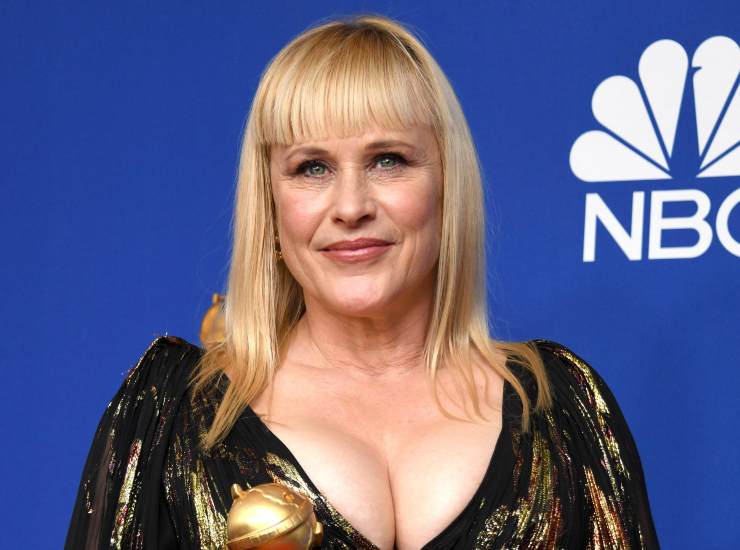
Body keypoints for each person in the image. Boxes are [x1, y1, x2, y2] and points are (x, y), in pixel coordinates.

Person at [65, 13, 659, 550]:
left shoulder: (562, 409)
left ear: (447, 189)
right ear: (270, 206)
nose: (351, 206)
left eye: (388, 160)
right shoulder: (172, 416)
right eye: (311, 168)